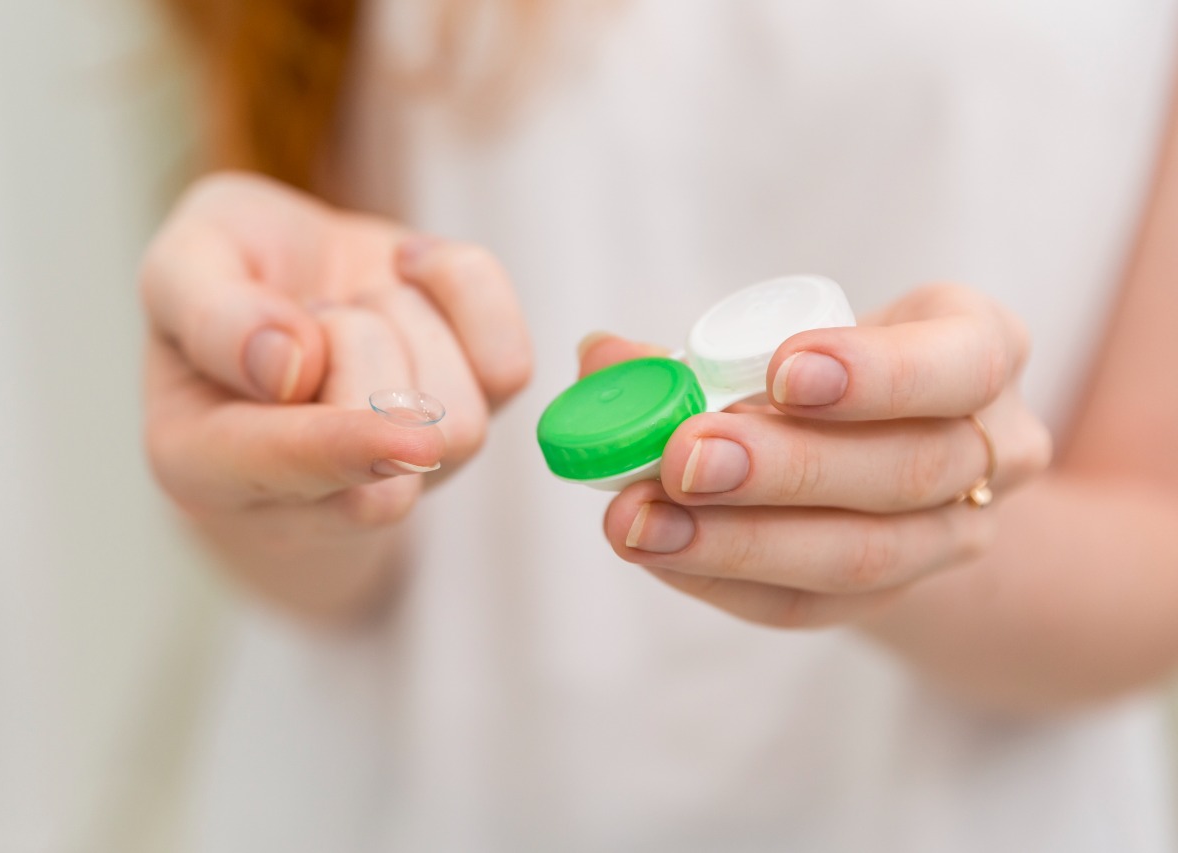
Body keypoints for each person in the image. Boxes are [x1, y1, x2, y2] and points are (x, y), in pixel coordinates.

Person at [140, 1, 1178, 849]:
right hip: (408, 796)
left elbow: (1155, 534)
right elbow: (306, 548)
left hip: (958, 811)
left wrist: (928, 524)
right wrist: (288, 432)